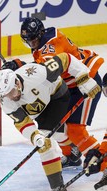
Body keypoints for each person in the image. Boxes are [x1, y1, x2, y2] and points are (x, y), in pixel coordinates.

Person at [0, 52, 101, 191]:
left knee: (46, 146)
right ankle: (73, 149)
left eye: (10, 92)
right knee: (52, 137)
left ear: (17, 83)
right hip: (40, 110)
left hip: (57, 97)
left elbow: (66, 58)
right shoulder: (6, 100)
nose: (9, 97)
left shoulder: (37, 74)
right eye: (5, 95)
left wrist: (83, 77)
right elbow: (22, 122)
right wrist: (33, 136)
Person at [19, 17, 105, 174]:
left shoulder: (51, 46)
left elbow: (50, 68)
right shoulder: (42, 41)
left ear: (40, 34)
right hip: (70, 85)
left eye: (33, 39)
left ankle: (103, 164)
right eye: (27, 40)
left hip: (86, 81)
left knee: (75, 130)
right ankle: (71, 155)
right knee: (57, 123)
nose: (31, 43)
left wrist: (22, 68)